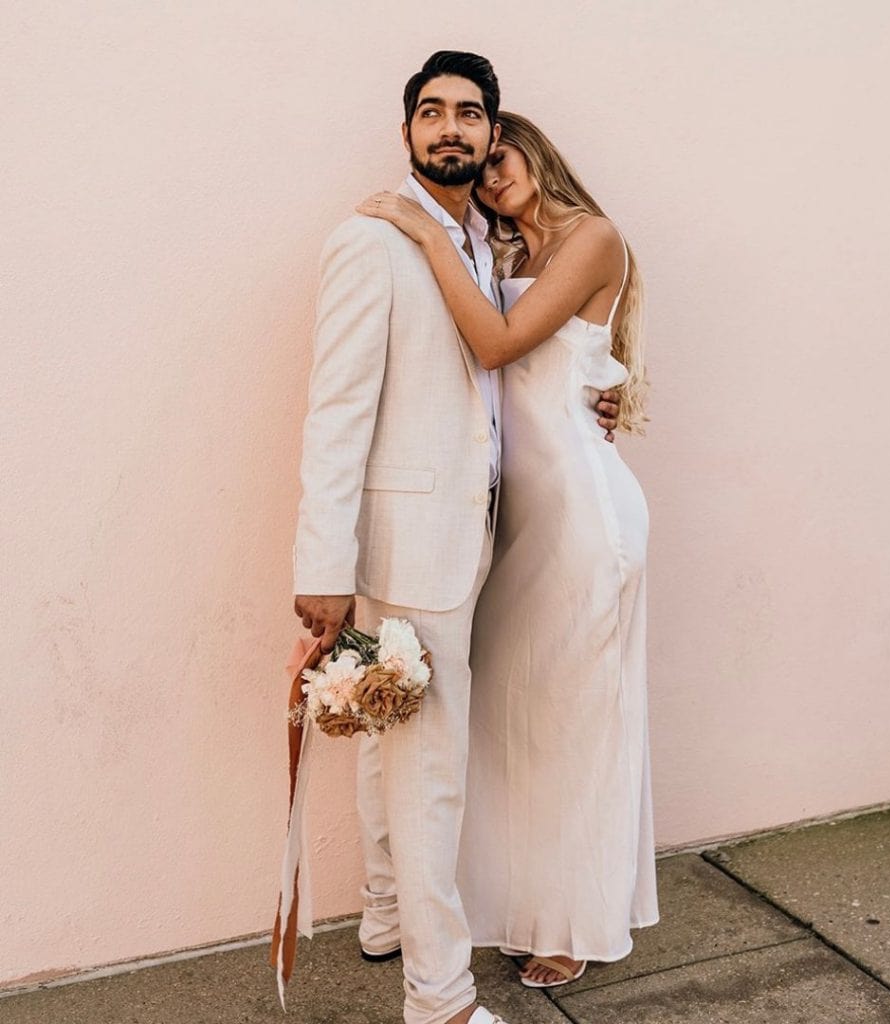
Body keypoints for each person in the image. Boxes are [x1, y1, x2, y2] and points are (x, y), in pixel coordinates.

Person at [292, 54, 618, 1024]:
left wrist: (594, 400)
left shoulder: (482, 243)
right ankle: (437, 999)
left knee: (393, 741)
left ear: (490, 134)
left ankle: (386, 913)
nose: (449, 128)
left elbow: (508, 374)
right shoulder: (372, 240)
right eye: (430, 112)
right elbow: (335, 413)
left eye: (467, 114)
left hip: (480, 533)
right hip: (413, 540)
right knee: (425, 771)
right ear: (406, 133)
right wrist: (323, 565)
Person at [357, 112, 658, 990]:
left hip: (580, 513)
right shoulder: (499, 255)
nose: (491, 174)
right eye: (481, 166)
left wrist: (422, 229)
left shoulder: (594, 237)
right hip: (508, 517)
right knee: (512, 726)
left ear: (534, 149)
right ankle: (514, 905)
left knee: (577, 723)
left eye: (502, 154)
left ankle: (573, 923)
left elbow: (496, 346)